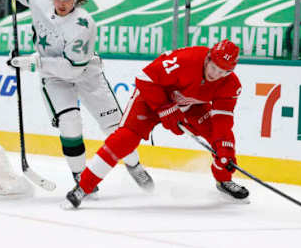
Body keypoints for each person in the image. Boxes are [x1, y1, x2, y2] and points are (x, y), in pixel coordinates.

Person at [1, 0, 153, 192]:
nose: (61, 4)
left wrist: (35, 63)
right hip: (54, 79)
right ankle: (81, 177)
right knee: (69, 123)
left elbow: (72, 69)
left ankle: (135, 166)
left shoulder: (82, 25)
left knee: (114, 127)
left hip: (86, 73)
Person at [64, 40, 250, 209]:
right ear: (208, 58)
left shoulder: (230, 86)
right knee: (125, 138)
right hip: (152, 98)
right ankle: (84, 186)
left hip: (190, 105)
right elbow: (145, 78)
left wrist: (224, 149)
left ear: (230, 72)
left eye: (222, 72)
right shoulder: (186, 60)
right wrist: (164, 107)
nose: (214, 74)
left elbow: (222, 122)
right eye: (213, 67)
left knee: (224, 142)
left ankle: (224, 181)